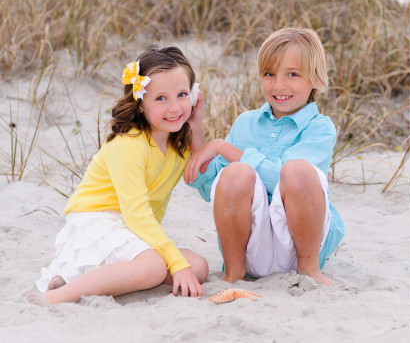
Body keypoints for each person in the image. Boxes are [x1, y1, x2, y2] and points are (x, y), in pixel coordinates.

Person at [35, 47, 210, 304]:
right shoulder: (129, 144)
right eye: (160, 98)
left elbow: (201, 170)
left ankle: (80, 275)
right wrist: (174, 262)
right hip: (98, 220)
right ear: (140, 104)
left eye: (182, 94)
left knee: (198, 267)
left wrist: (195, 124)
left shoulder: (177, 145)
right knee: (154, 267)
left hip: (132, 227)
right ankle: (57, 296)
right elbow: (136, 213)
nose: (174, 107)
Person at [186, 27, 344, 286]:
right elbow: (211, 190)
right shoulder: (246, 122)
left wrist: (224, 147)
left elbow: (279, 178)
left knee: (297, 171)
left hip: (299, 246)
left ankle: (310, 271)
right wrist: (196, 131)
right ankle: (233, 273)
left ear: (315, 78)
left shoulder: (320, 127)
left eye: (292, 74)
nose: (279, 85)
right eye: (269, 74)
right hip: (250, 249)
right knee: (236, 173)